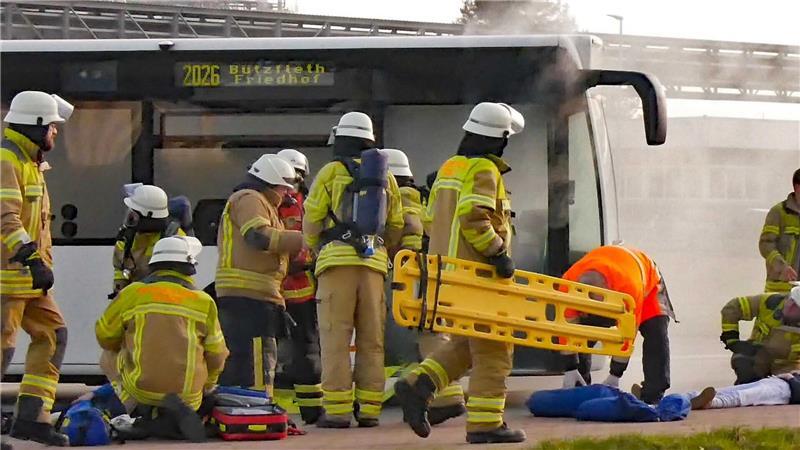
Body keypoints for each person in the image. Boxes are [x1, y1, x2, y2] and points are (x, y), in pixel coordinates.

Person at [393, 102, 527, 444]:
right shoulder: (484, 170)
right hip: (477, 276)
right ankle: (485, 425)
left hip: (448, 276)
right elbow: (473, 217)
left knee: (468, 347)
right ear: (500, 138)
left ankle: (418, 386)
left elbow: (428, 221)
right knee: (496, 349)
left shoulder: (450, 168)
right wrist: (498, 253)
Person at [303, 112, 405, 428]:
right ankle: (370, 411)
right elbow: (396, 224)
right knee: (372, 341)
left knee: (335, 338)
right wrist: (376, 247)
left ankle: (337, 412)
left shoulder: (330, 172)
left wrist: (320, 247)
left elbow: (312, 220)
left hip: (336, 266)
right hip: (374, 266)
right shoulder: (386, 177)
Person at [95, 235, 228, 442]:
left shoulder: (133, 293)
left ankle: (137, 411)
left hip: (142, 389)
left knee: (107, 355)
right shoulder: (204, 301)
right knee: (202, 356)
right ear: (189, 267)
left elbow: (104, 336)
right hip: (189, 397)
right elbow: (218, 355)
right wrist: (206, 387)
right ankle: (176, 416)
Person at [1, 91, 73, 446]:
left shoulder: (29, 162)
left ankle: (31, 418)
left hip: (28, 281)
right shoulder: (6, 160)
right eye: (54, 128)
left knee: (53, 335)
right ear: (37, 125)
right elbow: (6, 219)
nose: (56, 134)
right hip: (8, 279)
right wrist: (30, 256)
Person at [382, 148, 466, 425]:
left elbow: (403, 235)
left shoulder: (399, 199)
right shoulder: (420, 196)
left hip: (418, 276)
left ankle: (448, 398)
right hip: (435, 272)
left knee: (431, 333)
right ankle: (430, 392)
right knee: (431, 332)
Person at [215, 154, 304, 397]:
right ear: (271, 182)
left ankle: (251, 408)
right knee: (256, 361)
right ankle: (255, 409)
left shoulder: (259, 201)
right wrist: (304, 240)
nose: (286, 194)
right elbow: (259, 237)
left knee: (254, 359)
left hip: (255, 296)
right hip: (249, 297)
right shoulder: (250, 199)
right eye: (284, 188)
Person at [559, 245, 675, 405]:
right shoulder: (568, 283)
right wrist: (570, 367)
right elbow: (566, 327)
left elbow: (627, 334)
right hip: (611, 272)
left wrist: (615, 374)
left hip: (646, 282)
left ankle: (653, 394)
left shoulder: (629, 288)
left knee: (656, 332)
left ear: (609, 292)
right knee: (584, 328)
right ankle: (580, 387)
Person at [273, 149, 323, 425]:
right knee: (306, 349)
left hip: (279, 289)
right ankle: (312, 412)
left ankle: (306, 410)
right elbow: (306, 244)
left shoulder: (268, 200)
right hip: (299, 290)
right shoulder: (303, 202)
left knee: (278, 351)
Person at [111, 184, 185, 297]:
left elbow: (178, 279)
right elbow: (120, 267)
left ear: (148, 217)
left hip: (167, 297)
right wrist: (119, 289)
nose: (130, 218)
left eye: (134, 214)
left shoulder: (174, 239)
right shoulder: (127, 237)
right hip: (135, 298)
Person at [720, 286, 800, 385]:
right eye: (791, 302)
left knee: (792, 388)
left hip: (788, 366)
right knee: (743, 361)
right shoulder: (770, 302)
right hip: (759, 356)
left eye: (797, 308)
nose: (790, 307)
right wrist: (732, 339)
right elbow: (733, 308)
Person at [759, 169, 800, 293]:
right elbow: (765, 245)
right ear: (798, 188)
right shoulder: (778, 213)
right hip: (780, 290)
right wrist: (782, 267)